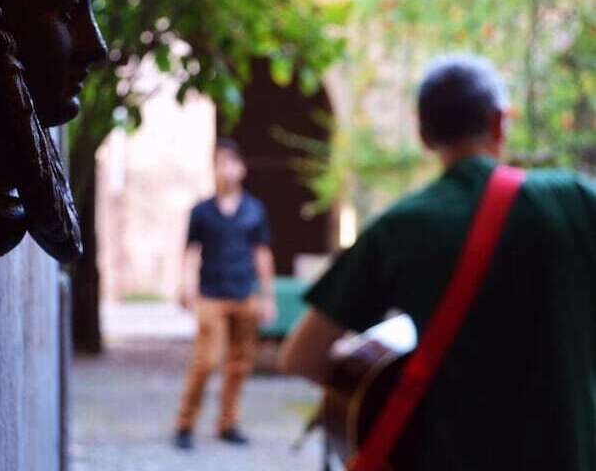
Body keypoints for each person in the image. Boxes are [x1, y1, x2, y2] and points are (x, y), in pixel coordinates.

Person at [279, 55, 595, 470]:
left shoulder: (400, 228)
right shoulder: (575, 199)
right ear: (499, 122)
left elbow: (300, 357)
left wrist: (381, 389)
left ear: (424, 136)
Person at [173, 138, 278, 450]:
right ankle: (185, 423)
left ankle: (228, 422)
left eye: (231, 162)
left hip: (244, 294)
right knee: (206, 361)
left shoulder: (254, 210)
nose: (226, 169)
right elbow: (191, 250)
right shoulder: (202, 211)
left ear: (242, 168)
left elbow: (262, 253)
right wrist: (185, 284)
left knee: (239, 365)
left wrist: (267, 296)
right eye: (219, 162)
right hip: (210, 295)